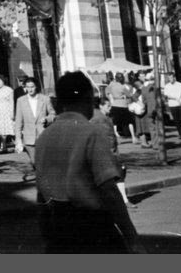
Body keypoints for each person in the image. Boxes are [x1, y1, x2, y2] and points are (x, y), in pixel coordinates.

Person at [33, 72, 141, 253]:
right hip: (92, 226)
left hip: (59, 227)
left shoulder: (44, 137)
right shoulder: (91, 133)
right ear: (87, 98)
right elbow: (109, 190)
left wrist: (46, 235)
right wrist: (132, 238)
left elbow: (41, 195)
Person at [15, 76, 55, 180]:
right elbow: (18, 121)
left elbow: (52, 114)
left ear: (36, 86)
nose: (30, 89)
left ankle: (45, 181)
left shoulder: (45, 99)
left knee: (43, 160)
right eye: (28, 87)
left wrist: (47, 119)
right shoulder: (21, 101)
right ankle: (43, 178)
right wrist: (18, 139)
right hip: (28, 137)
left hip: (43, 134)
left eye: (32, 86)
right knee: (34, 161)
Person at [162, 73, 181, 139]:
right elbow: (167, 95)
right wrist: (175, 98)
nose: (170, 79)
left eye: (171, 78)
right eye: (169, 78)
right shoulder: (167, 86)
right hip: (173, 104)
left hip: (180, 104)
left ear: (174, 78)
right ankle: (180, 134)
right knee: (176, 120)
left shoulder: (180, 85)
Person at [106, 74, 134, 142]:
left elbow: (107, 93)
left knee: (115, 122)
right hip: (123, 104)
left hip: (115, 104)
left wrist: (111, 99)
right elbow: (129, 95)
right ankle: (133, 136)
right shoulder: (122, 87)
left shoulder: (112, 86)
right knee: (129, 121)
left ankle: (115, 135)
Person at [0, 76, 16, 151]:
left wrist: (12, 112)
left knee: (11, 128)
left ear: (3, 81)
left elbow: (12, 101)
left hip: (7, 110)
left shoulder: (9, 90)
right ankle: (4, 146)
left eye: (0, 81)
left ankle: (17, 144)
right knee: (1, 129)